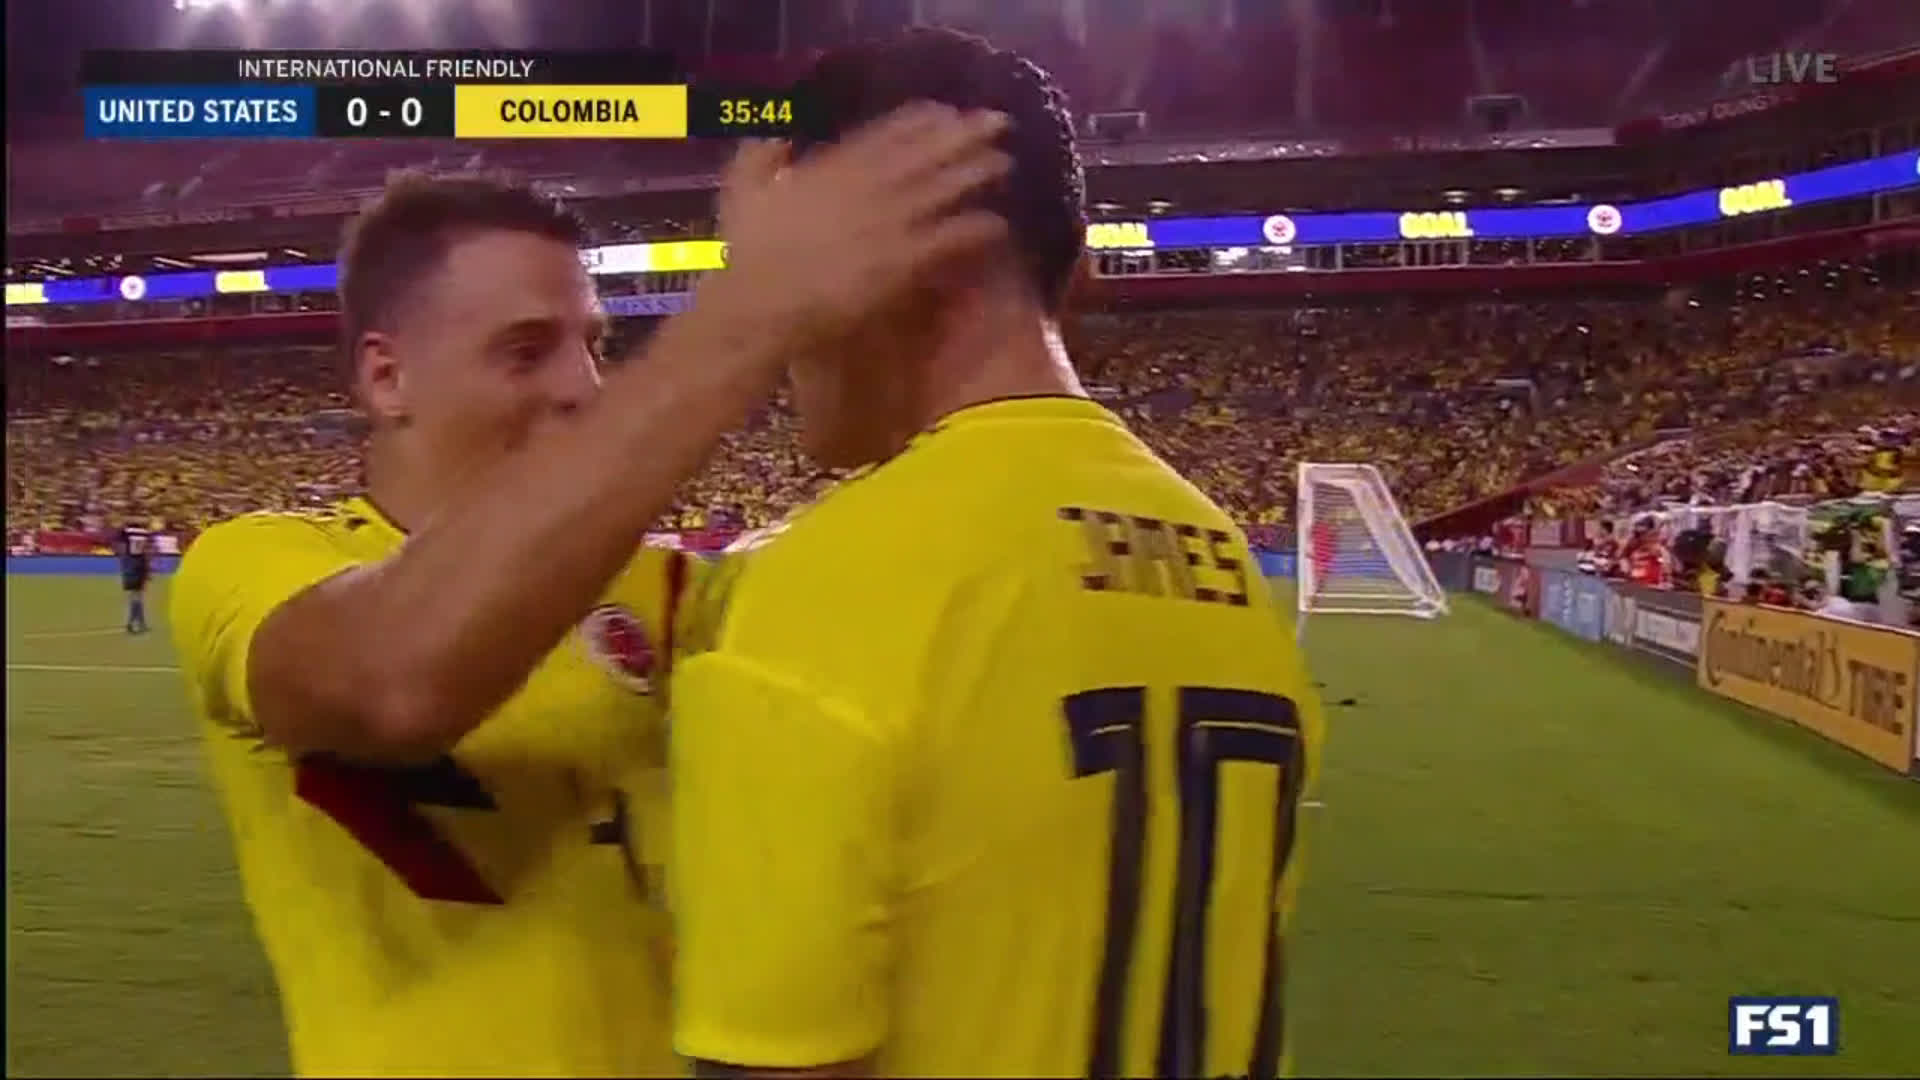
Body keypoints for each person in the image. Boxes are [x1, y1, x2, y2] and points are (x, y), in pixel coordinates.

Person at [169, 103, 1014, 1078]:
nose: (583, 388)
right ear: (387, 376)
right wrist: (747, 314)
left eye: (596, 346)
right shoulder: (258, 563)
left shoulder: (675, 595)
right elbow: (386, 683)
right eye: (526, 350)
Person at [662, 29, 1325, 1079]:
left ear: (901, 264)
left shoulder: (823, 586)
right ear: (1081, 272)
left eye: (784, 274)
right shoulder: (1228, 566)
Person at [115, 522, 151, 634]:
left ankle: (132, 623)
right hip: (141, 563)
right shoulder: (145, 532)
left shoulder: (126, 532)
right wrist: (147, 569)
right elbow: (147, 551)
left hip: (131, 563)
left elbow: (121, 548)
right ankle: (140, 623)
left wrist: (123, 563)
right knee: (138, 595)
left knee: (134, 596)